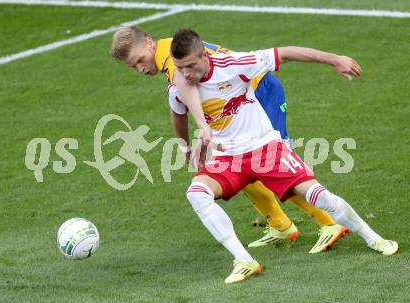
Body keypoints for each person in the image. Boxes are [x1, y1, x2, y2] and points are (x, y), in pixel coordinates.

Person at [167, 28, 398, 284]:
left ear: (204, 56)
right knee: (196, 193)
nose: (185, 73)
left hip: (265, 149)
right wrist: (185, 147)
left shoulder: (234, 65)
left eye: (190, 65)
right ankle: (244, 260)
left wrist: (335, 59)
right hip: (228, 158)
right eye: (180, 67)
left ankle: (373, 238)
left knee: (320, 196)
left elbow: (286, 53)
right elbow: (177, 112)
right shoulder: (179, 83)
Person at [111, 26, 349, 254]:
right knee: (236, 164)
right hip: (238, 98)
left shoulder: (170, 59)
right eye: (134, 67)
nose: (141, 68)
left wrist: (201, 132)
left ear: (149, 43)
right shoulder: (168, 52)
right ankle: (280, 225)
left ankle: (329, 222)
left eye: (140, 60)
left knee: (274, 166)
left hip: (257, 91)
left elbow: (188, 92)